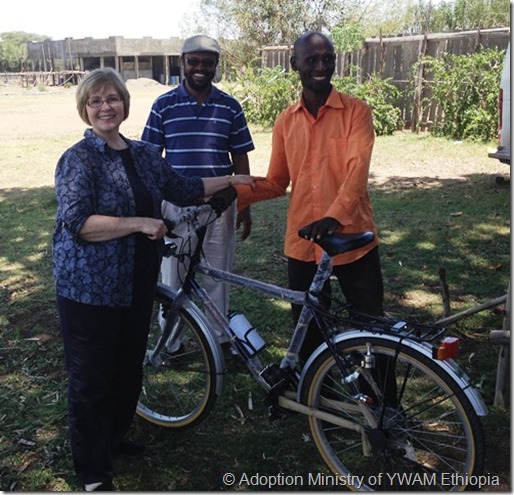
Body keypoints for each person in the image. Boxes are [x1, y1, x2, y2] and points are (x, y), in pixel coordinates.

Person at [52, 67, 256, 492]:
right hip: (89, 286)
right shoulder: (78, 159)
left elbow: (183, 187)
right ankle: (92, 472)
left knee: (127, 369)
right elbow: (78, 223)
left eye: (113, 99)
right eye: (96, 101)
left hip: (135, 280)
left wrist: (233, 178)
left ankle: (114, 435)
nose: (106, 107)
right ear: (84, 110)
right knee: (91, 378)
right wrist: (137, 223)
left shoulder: (144, 153)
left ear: (125, 104)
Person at [235, 32, 384, 362]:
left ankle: (386, 405)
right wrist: (237, 196)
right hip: (303, 241)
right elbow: (277, 181)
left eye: (327, 58)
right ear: (294, 65)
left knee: (373, 330)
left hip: (351, 238)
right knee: (308, 330)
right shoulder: (285, 121)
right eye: (312, 59)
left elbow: (357, 172)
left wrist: (335, 215)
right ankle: (318, 403)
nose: (321, 66)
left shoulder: (356, 112)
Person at [141, 35, 254, 349]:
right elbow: (150, 160)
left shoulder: (230, 106)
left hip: (220, 206)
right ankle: (170, 343)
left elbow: (240, 158)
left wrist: (243, 203)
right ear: (182, 63)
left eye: (208, 62)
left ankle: (219, 340)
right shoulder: (163, 105)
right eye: (193, 62)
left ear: (216, 65)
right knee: (173, 275)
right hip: (177, 207)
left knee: (218, 274)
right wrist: (154, 207)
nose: (200, 68)